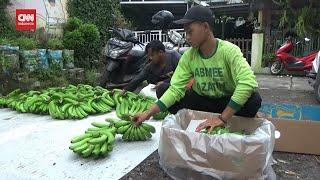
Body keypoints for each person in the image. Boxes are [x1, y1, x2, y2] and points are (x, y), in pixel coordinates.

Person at [133, 5, 262, 132]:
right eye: (185, 33)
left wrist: (222, 118)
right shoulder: (188, 56)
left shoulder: (229, 51)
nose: (187, 37)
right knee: (163, 89)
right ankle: (216, 118)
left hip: (225, 102)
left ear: (205, 27)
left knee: (254, 100)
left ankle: (224, 117)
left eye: (190, 31)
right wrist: (147, 113)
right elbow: (175, 90)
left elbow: (247, 82)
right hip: (201, 103)